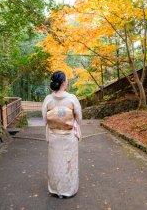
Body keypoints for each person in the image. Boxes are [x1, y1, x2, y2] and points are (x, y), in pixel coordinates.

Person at [42, 70, 82, 199]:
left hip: (54, 136)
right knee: (69, 163)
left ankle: (55, 189)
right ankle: (68, 190)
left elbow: (44, 120)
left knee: (55, 163)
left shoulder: (48, 99)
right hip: (69, 136)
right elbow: (79, 119)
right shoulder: (71, 98)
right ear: (64, 82)